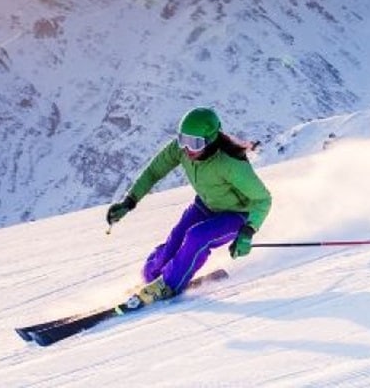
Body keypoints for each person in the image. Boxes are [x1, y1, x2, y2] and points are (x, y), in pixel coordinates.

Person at [105, 107, 271, 307]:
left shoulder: (231, 164)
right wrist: (129, 201)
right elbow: (153, 171)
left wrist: (248, 231)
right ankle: (154, 278)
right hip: (205, 206)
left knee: (197, 236)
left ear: (210, 141)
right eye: (183, 139)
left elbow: (262, 199)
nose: (187, 149)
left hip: (237, 214)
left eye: (195, 143)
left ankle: (169, 285)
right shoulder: (181, 150)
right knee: (173, 242)